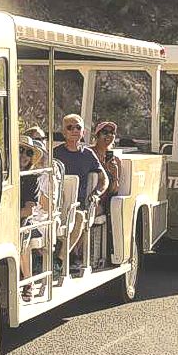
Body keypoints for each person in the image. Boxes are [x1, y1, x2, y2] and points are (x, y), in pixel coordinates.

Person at [53, 114, 108, 277]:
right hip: (56, 205)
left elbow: (103, 179)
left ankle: (60, 261)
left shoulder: (89, 155)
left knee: (77, 217)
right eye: (70, 128)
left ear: (83, 132)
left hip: (79, 206)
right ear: (64, 132)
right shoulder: (55, 154)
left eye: (78, 127)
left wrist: (96, 194)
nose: (74, 131)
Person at [18, 135, 52, 301]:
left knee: (21, 233)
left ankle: (28, 281)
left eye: (29, 152)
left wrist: (9, 217)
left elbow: (29, 210)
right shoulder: (1, 174)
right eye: (20, 150)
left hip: (22, 221)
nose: (24, 155)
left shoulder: (33, 178)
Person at [90, 121, 122, 257]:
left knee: (95, 211)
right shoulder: (89, 153)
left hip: (103, 202)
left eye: (112, 133)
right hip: (88, 197)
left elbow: (114, 190)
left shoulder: (116, 160)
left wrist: (114, 174)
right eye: (105, 132)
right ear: (97, 135)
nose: (109, 135)